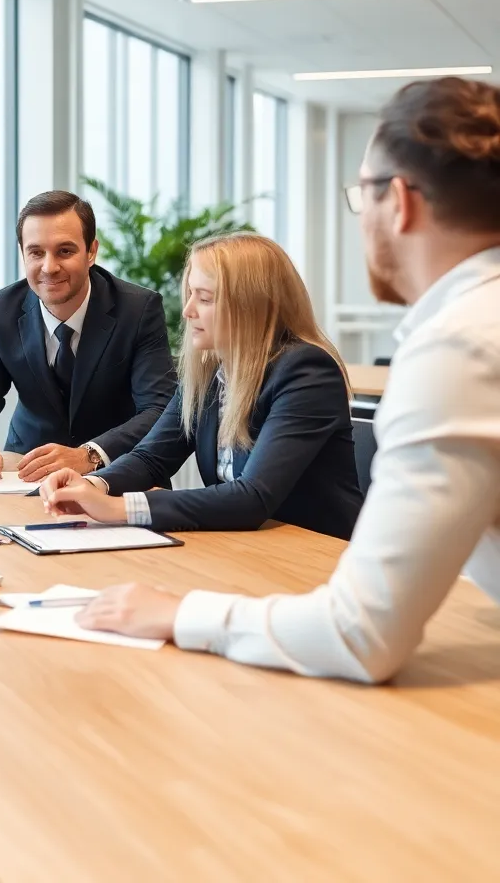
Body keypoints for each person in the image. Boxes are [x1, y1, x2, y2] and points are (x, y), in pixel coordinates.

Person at [70, 75, 500, 684]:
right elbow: (156, 450)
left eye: (360, 196)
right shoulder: (473, 330)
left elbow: (360, 635)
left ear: (397, 201)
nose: (189, 312)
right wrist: (97, 487)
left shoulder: (459, 346)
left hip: (312, 571)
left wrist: (180, 612)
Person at [39, 233, 363, 540]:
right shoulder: (209, 373)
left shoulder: (306, 372)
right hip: (246, 549)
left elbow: (252, 498)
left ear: (250, 306)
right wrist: (94, 484)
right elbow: (151, 458)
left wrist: (118, 508)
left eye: (204, 298)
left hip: (316, 556)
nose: (188, 310)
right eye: (190, 294)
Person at [0, 190, 177, 483]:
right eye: (36, 252)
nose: (49, 267)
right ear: (23, 254)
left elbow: (160, 409)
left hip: (117, 475)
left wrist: (89, 455)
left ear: (91, 251)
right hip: (26, 475)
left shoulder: (138, 309)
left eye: (65, 251)